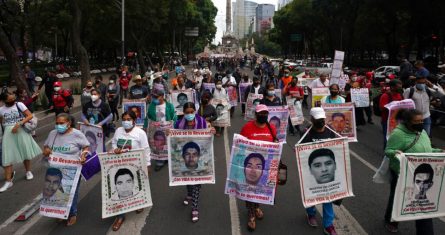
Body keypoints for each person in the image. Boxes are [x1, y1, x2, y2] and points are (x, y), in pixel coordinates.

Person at [384, 109, 443, 233]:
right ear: (407, 122)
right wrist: (395, 153)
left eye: (421, 120)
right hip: (402, 173)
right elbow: (388, 150)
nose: (420, 123)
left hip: (423, 173)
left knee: (422, 204)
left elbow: (428, 150)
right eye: (416, 121)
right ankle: (391, 220)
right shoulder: (398, 134)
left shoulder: (422, 132)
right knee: (397, 198)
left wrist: (439, 152)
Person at [42, 113, 90, 226]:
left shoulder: (77, 134)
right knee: (58, 191)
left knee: (71, 191)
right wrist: (46, 151)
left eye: (61, 123)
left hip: (72, 168)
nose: (59, 125)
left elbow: (86, 146)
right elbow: (46, 147)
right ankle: (61, 212)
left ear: (68, 123)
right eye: (57, 123)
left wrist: (83, 155)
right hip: (55, 168)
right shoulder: (52, 134)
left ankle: (72, 213)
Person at [299, 107, 340, 235]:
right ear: (312, 119)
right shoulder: (306, 133)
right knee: (312, 194)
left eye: (322, 119)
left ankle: (328, 224)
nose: (321, 121)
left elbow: (338, 147)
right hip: (312, 171)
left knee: (328, 197)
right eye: (318, 119)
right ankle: (310, 213)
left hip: (327, 170)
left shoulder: (331, 131)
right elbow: (302, 151)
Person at [173, 102, 215, 223]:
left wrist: (211, 130)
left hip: (199, 157)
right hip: (184, 157)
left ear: (195, 111)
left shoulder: (202, 122)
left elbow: (208, 133)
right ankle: (189, 194)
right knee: (187, 177)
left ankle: (194, 207)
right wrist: (169, 134)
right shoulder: (178, 123)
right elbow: (174, 140)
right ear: (183, 113)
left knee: (196, 181)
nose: (190, 114)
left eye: (192, 112)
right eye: (187, 112)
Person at [111, 111, 151, 231]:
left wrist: (147, 165)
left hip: (136, 165)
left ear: (134, 120)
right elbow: (114, 143)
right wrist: (115, 149)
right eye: (124, 119)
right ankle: (120, 216)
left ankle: (138, 203)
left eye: (129, 119)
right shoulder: (119, 131)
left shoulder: (140, 133)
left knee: (137, 186)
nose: (126, 121)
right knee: (120, 188)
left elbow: (146, 149)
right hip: (120, 164)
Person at [240, 104, 277, 231]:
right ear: (256, 115)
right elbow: (240, 146)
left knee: (261, 188)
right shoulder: (247, 128)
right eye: (261, 114)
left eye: (265, 113)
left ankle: (256, 207)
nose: (263, 116)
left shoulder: (271, 128)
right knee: (249, 189)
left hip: (265, 167)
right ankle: (251, 214)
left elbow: (275, 143)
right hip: (251, 166)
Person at [0, 92, 42, 192]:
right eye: (10, 100)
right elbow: (1, 122)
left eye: (13, 99)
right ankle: (8, 181)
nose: (12, 101)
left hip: (21, 130)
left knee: (25, 151)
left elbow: (29, 115)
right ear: (4, 101)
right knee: (6, 155)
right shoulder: (1, 110)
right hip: (8, 133)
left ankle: (28, 171)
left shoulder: (19, 104)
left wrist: (19, 123)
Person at [144, 89, 177, 171]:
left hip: (167, 130)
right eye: (153, 97)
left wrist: (174, 128)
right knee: (157, 145)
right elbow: (147, 117)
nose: (154, 99)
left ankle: (166, 159)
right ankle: (159, 161)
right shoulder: (151, 106)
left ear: (162, 97)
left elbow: (174, 118)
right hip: (155, 131)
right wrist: (145, 127)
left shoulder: (169, 106)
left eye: (156, 97)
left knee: (167, 145)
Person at [379, 79, 404, 148]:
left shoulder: (400, 95)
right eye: (398, 87)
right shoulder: (385, 96)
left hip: (398, 120)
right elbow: (381, 108)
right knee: (388, 138)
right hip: (387, 121)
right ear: (392, 87)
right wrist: (393, 107)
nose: (400, 88)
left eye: (401, 86)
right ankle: (387, 153)